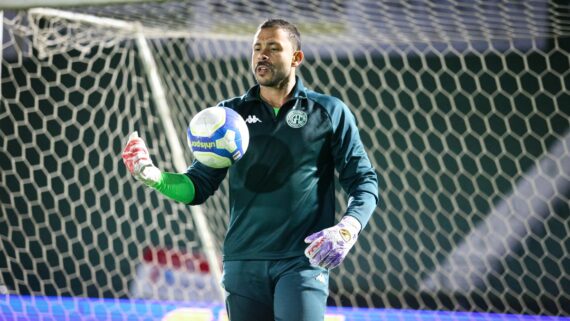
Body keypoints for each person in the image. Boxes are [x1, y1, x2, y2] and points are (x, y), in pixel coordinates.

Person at [122, 18, 378, 321]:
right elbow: (197, 187)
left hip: (301, 261)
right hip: (243, 263)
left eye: (273, 48)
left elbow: (363, 181)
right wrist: (153, 175)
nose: (262, 55)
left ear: (297, 58)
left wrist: (348, 227)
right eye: (257, 48)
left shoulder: (329, 111)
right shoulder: (227, 117)